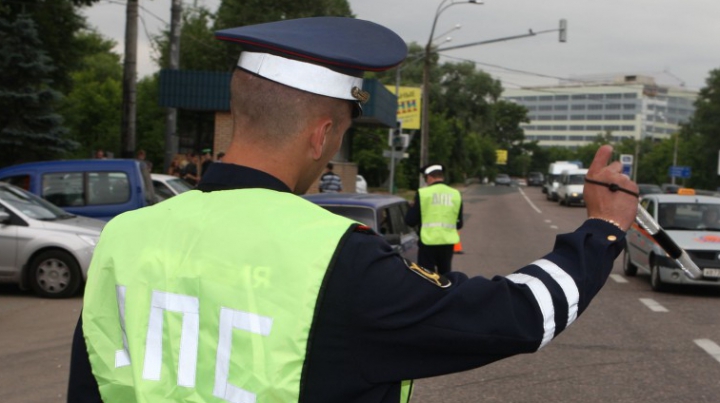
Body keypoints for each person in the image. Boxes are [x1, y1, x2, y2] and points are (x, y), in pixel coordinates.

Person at [67, 17, 638, 403]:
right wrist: (603, 229)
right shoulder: (335, 259)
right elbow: (522, 314)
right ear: (320, 137)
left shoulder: (124, 237)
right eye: (341, 133)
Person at [404, 164, 463, 275]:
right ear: (442, 177)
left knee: (426, 278)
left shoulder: (423, 194)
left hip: (428, 243)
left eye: (425, 178)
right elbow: (459, 224)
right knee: (445, 278)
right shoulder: (455, 194)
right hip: (447, 243)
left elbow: (410, 220)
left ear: (429, 177)